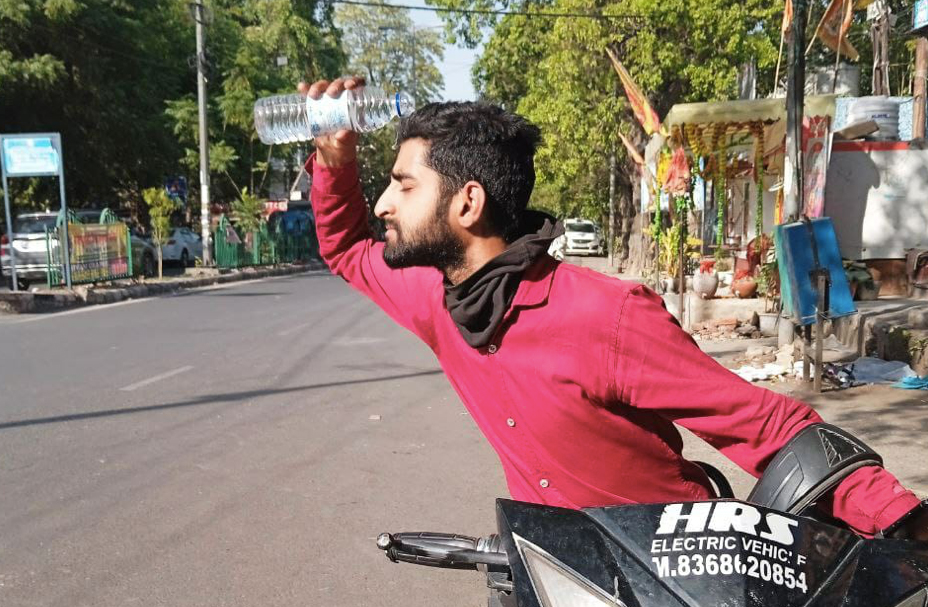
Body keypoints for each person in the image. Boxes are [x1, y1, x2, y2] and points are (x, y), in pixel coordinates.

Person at [300, 76, 928, 540]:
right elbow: (347, 247)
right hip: (558, 569)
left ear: (467, 204)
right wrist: (334, 160)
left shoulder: (605, 316)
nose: (383, 204)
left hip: (675, 575)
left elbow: (761, 424)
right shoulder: (437, 300)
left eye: (404, 185)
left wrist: (903, 524)